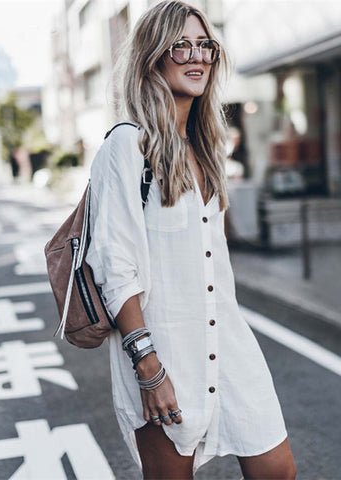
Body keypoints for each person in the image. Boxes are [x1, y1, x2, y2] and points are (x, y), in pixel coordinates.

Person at [85, 1, 297, 479]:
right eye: (180, 46)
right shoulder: (125, 146)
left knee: (278, 470)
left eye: (205, 45)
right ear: (153, 56)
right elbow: (115, 266)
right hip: (166, 351)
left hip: (229, 341)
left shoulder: (204, 147)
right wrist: (149, 368)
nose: (196, 56)